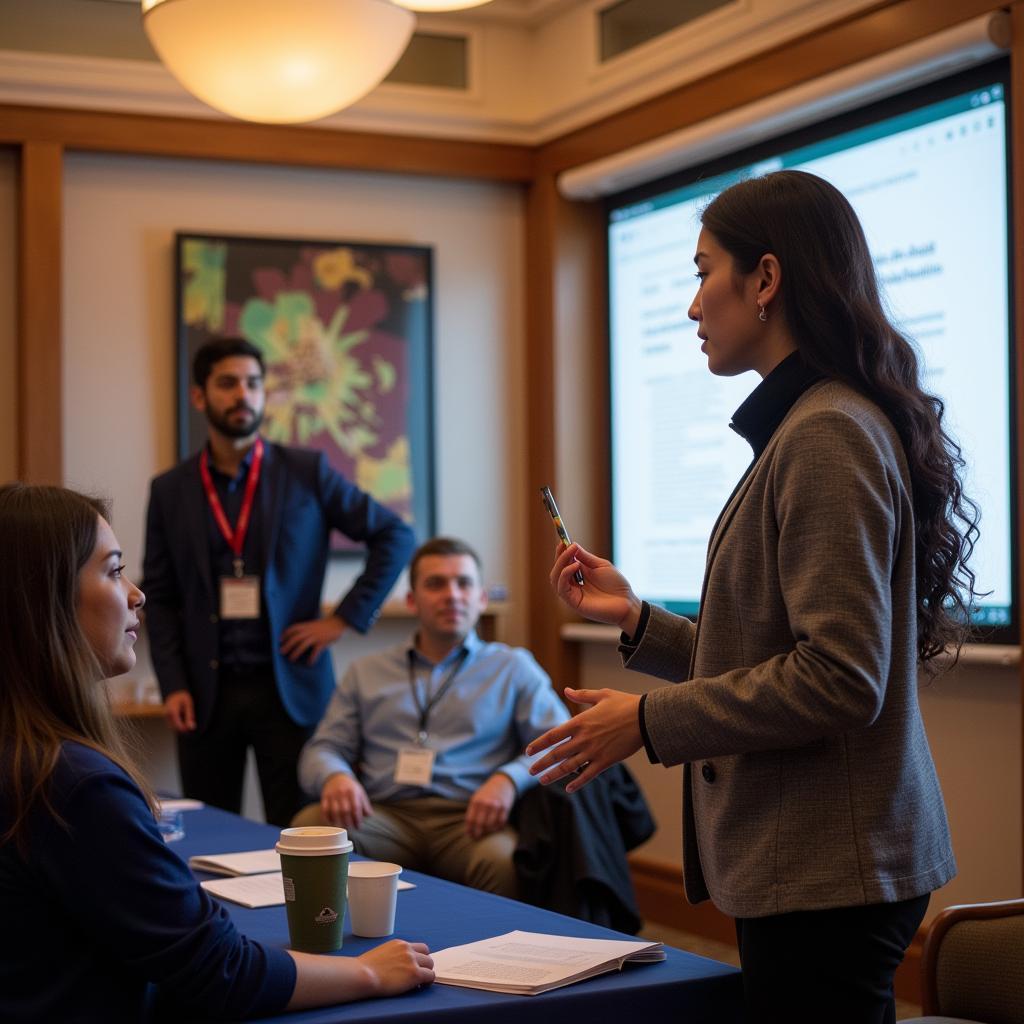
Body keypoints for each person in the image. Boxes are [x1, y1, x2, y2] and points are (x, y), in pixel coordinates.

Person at [525, 170, 978, 1024]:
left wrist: (647, 722)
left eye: (703, 273)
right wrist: (637, 621)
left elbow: (839, 678)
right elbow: (781, 654)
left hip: (829, 874)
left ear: (765, 280)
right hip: (814, 869)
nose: (693, 306)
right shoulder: (810, 425)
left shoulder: (827, 433)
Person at [0, 483, 434, 1022]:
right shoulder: (72, 783)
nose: (137, 595)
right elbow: (219, 971)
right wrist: (371, 972)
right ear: (45, 596)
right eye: (114, 571)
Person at [144, 336, 415, 826]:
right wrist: (172, 682)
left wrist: (344, 619)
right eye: (227, 384)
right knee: (210, 831)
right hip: (205, 691)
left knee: (298, 833)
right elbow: (160, 597)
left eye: (253, 383)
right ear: (200, 396)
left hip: (291, 686)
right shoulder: (169, 490)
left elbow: (394, 535)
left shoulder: (305, 471)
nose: (243, 395)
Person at [295, 537, 570, 898]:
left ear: (481, 598)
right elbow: (322, 749)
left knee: (501, 860)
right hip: (383, 816)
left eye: (464, 583)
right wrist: (335, 777)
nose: (452, 595)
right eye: (436, 584)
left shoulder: (512, 667)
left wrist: (508, 779)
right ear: (412, 600)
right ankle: (331, 948)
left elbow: (562, 741)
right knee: (309, 829)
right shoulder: (367, 672)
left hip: (470, 820)